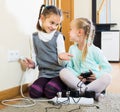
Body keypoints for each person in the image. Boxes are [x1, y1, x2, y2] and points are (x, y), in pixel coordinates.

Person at [20, 4, 72, 99]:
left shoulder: (58, 36)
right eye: (51, 22)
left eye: (57, 24)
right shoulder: (33, 37)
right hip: (44, 74)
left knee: (50, 91)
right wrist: (33, 64)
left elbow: (62, 61)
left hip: (58, 74)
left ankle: (62, 85)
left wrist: (61, 58)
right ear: (42, 18)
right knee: (34, 92)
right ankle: (48, 86)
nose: (54, 27)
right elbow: (34, 56)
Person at [59, 18, 112, 101]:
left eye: (71, 29)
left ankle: (79, 92)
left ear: (79, 32)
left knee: (108, 77)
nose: (69, 32)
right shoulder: (72, 48)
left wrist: (97, 75)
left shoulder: (95, 50)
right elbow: (69, 67)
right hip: (77, 82)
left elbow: (108, 68)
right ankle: (93, 94)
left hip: (93, 83)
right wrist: (77, 75)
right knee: (63, 72)